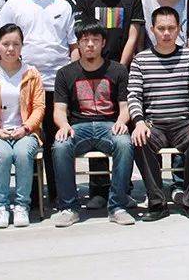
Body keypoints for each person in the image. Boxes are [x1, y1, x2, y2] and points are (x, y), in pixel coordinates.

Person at [0, 0, 79, 202]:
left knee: (58, 142)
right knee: (27, 142)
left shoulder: (65, 3)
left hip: (57, 84)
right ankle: (30, 196)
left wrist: (71, 80)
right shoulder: (14, 4)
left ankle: (60, 195)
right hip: (24, 85)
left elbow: (74, 46)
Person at [129, 6, 189, 220]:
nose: (166, 33)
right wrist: (139, 122)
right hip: (154, 124)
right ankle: (157, 203)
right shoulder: (141, 60)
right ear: (152, 29)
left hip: (184, 124)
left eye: (171, 28)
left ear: (179, 29)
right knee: (139, 141)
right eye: (161, 28)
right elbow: (134, 95)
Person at [52, 20, 136, 227]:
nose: (90, 44)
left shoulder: (118, 70)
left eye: (95, 40)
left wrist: (121, 121)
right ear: (78, 44)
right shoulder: (65, 73)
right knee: (60, 146)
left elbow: (125, 106)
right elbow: (59, 110)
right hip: (78, 127)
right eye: (85, 40)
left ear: (103, 43)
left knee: (124, 144)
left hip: (109, 125)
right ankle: (69, 208)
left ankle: (117, 206)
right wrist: (64, 125)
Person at [0, 24, 45, 228]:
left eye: (16, 44)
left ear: (22, 46)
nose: (10, 49)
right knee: (4, 155)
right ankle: (1, 206)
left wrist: (25, 128)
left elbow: (39, 108)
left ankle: (22, 206)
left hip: (26, 132)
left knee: (23, 154)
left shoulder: (32, 73)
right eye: (6, 44)